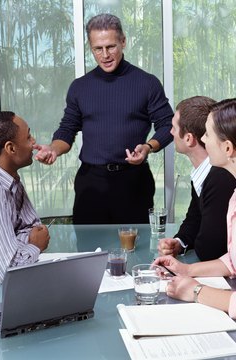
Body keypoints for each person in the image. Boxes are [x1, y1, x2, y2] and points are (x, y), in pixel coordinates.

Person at [34, 13, 174, 224]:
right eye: (97, 49)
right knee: (89, 252)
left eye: (111, 47)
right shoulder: (80, 87)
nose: (105, 55)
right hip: (90, 183)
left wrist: (147, 147)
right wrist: (53, 148)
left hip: (134, 181)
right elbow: (67, 130)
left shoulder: (147, 83)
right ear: (91, 47)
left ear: (123, 41)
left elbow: (167, 125)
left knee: (137, 253)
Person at [154, 98, 236, 318]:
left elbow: (210, 246)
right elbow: (232, 258)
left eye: (207, 135)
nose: (204, 141)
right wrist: (186, 268)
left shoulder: (221, 180)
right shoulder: (232, 193)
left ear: (227, 147)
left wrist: (197, 291)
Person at [158, 96, 236, 260]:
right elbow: (195, 218)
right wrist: (179, 242)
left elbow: (210, 248)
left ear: (188, 138)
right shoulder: (203, 172)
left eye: (173, 127)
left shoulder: (220, 178)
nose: (170, 132)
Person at [0, 111, 50, 283]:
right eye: (28, 137)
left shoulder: (11, 180)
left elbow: (34, 228)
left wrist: (20, 243)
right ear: (11, 148)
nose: (34, 142)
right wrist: (35, 246)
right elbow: (7, 271)